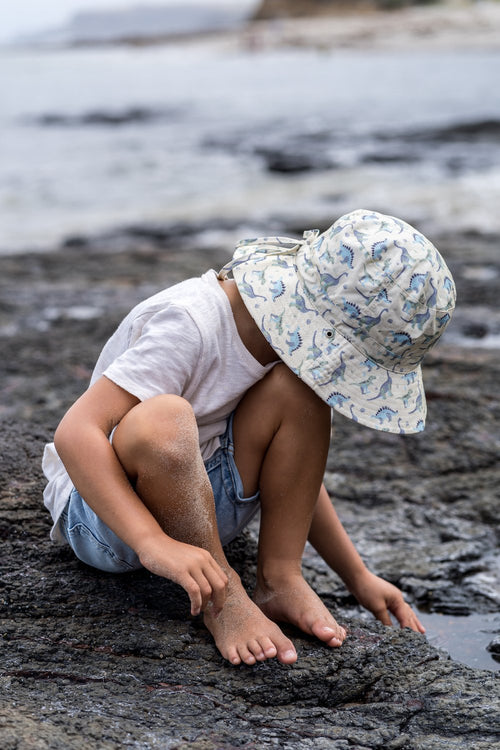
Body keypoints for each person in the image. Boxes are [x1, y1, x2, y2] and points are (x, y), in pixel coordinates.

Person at [42, 208, 456, 667]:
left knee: (299, 394)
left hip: (204, 506)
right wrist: (152, 543)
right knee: (162, 417)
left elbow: (295, 477)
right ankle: (225, 599)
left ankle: (280, 577)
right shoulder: (189, 324)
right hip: (112, 520)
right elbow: (76, 432)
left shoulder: (282, 350)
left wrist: (357, 576)